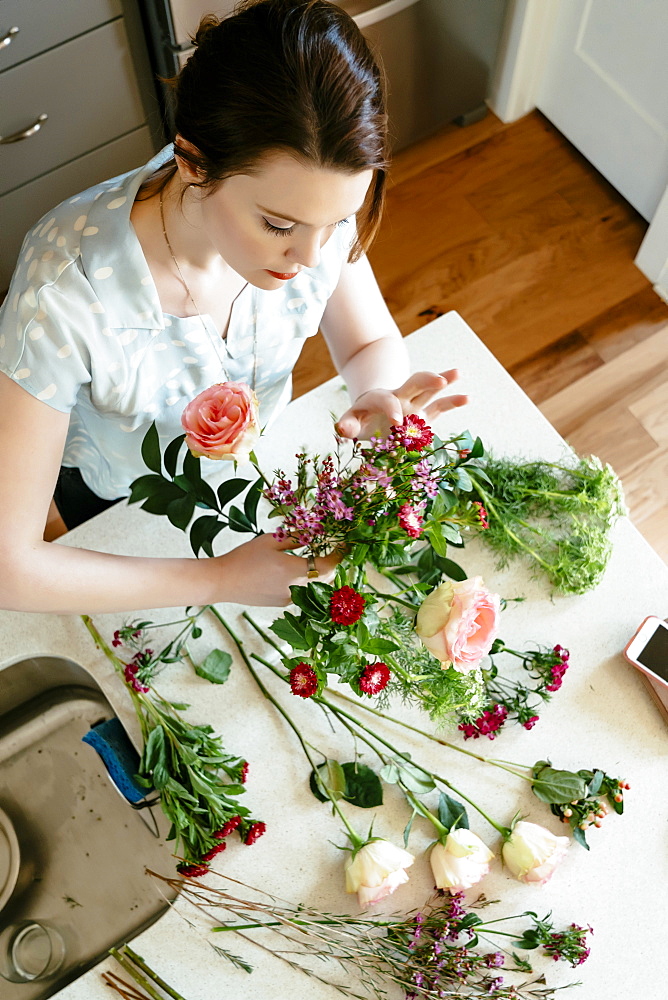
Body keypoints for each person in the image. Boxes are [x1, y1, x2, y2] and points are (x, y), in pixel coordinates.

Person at [0, 0, 466, 615]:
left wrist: (376, 392)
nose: (309, 254)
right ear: (194, 163)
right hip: (122, 500)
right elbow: (11, 567)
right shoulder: (64, 293)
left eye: (336, 222)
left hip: (255, 478)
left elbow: (365, 344)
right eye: (277, 224)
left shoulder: (312, 221)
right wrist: (219, 582)